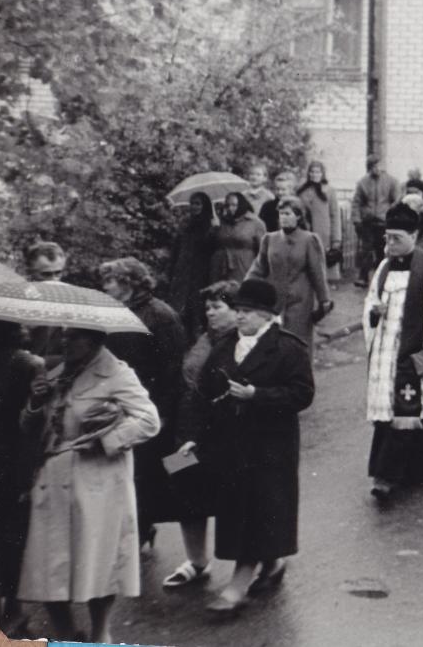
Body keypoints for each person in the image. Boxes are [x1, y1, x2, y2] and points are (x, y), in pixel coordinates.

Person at [19, 327, 160, 644]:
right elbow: (30, 427)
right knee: (46, 567)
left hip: (96, 479)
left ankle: (100, 634)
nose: (66, 342)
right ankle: (67, 634)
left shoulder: (117, 374)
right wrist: (35, 401)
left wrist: (108, 441)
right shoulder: (56, 372)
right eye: (65, 336)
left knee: (97, 561)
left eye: (75, 337)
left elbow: (149, 420)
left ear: (95, 340)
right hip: (52, 478)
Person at [195, 279, 314, 613]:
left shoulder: (289, 348)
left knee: (260, 507)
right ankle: (272, 562)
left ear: (266, 315)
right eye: (239, 311)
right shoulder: (224, 346)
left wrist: (257, 396)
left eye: (247, 312)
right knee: (242, 510)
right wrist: (196, 435)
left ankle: (237, 585)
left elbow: (303, 394)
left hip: (270, 448)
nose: (240, 317)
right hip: (231, 445)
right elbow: (204, 391)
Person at [363, 204, 423, 500]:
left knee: (407, 410)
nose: (389, 245)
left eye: (396, 238)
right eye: (386, 238)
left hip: (416, 354)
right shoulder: (383, 267)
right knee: (401, 412)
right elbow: (370, 302)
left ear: (414, 235)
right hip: (385, 353)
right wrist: (374, 312)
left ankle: (386, 476)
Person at [99, 257, 186, 553]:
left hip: (152, 405)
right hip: (121, 404)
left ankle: (145, 529)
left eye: (110, 280)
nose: (105, 286)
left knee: (153, 471)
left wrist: (160, 410)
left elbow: (173, 367)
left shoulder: (160, 315)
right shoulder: (112, 314)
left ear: (129, 282)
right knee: (129, 470)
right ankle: (138, 528)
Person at [162, 280, 240, 590]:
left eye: (217, 307)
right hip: (186, 433)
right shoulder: (203, 339)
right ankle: (196, 560)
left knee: (231, 496)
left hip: (218, 437)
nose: (210, 313)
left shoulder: (242, 344)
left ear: (236, 311)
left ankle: (261, 560)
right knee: (183, 487)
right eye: (207, 308)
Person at [0, 320, 42, 630]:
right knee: (0, 539)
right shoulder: (24, 361)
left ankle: (13, 608)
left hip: (8, 459)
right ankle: (8, 608)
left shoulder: (24, 363)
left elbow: (30, 424)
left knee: (9, 536)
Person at [246, 196, 332, 353]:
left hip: (300, 302)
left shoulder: (309, 240)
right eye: (281, 214)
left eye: (288, 214)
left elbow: (317, 273)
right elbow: (258, 268)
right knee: (273, 344)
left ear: (298, 216)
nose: (283, 218)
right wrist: (246, 288)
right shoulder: (269, 239)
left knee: (296, 344)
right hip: (274, 302)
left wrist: (324, 300)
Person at [167, 191, 217, 344]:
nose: (194, 207)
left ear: (205, 206)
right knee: (180, 309)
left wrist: (214, 230)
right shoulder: (186, 224)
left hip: (201, 274)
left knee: (197, 310)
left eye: (198, 204)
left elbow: (212, 249)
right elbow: (176, 249)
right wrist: (172, 270)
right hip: (183, 273)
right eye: (192, 203)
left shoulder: (212, 226)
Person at [352, 155, 401, 289]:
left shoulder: (391, 181)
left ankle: (383, 278)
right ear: (369, 167)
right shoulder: (362, 183)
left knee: (383, 251)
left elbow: (396, 201)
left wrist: (389, 215)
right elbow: (356, 202)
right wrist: (357, 220)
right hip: (367, 222)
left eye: (378, 165)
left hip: (384, 223)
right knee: (366, 250)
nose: (376, 169)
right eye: (373, 166)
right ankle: (363, 277)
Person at [297, 161, 344, 283]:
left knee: (324, 267)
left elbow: (335, 215)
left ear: (322, 173)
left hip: (324, 234)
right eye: (312, 172)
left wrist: (336, 239)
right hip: (306, 232)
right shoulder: (302, 191)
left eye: (317, 172)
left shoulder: (329, 191)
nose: (314, 174)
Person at [210, 192, 266, 282]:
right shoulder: (221, 222)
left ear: (241, 205)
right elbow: (212, 245)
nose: (230, 208)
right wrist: (214, 229)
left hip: (244, 266)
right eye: (227, 205)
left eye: (234, 205)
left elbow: (263, 250)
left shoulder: (255, 223)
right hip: (220, 267)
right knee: (220, 293)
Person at [260, 170, 310, 234]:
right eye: (277, 189)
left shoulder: (300, 206)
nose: (280, 192)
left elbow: (306, 229)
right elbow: (261, 228)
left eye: (283, 189)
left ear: (291, 190)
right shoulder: (267, 207)